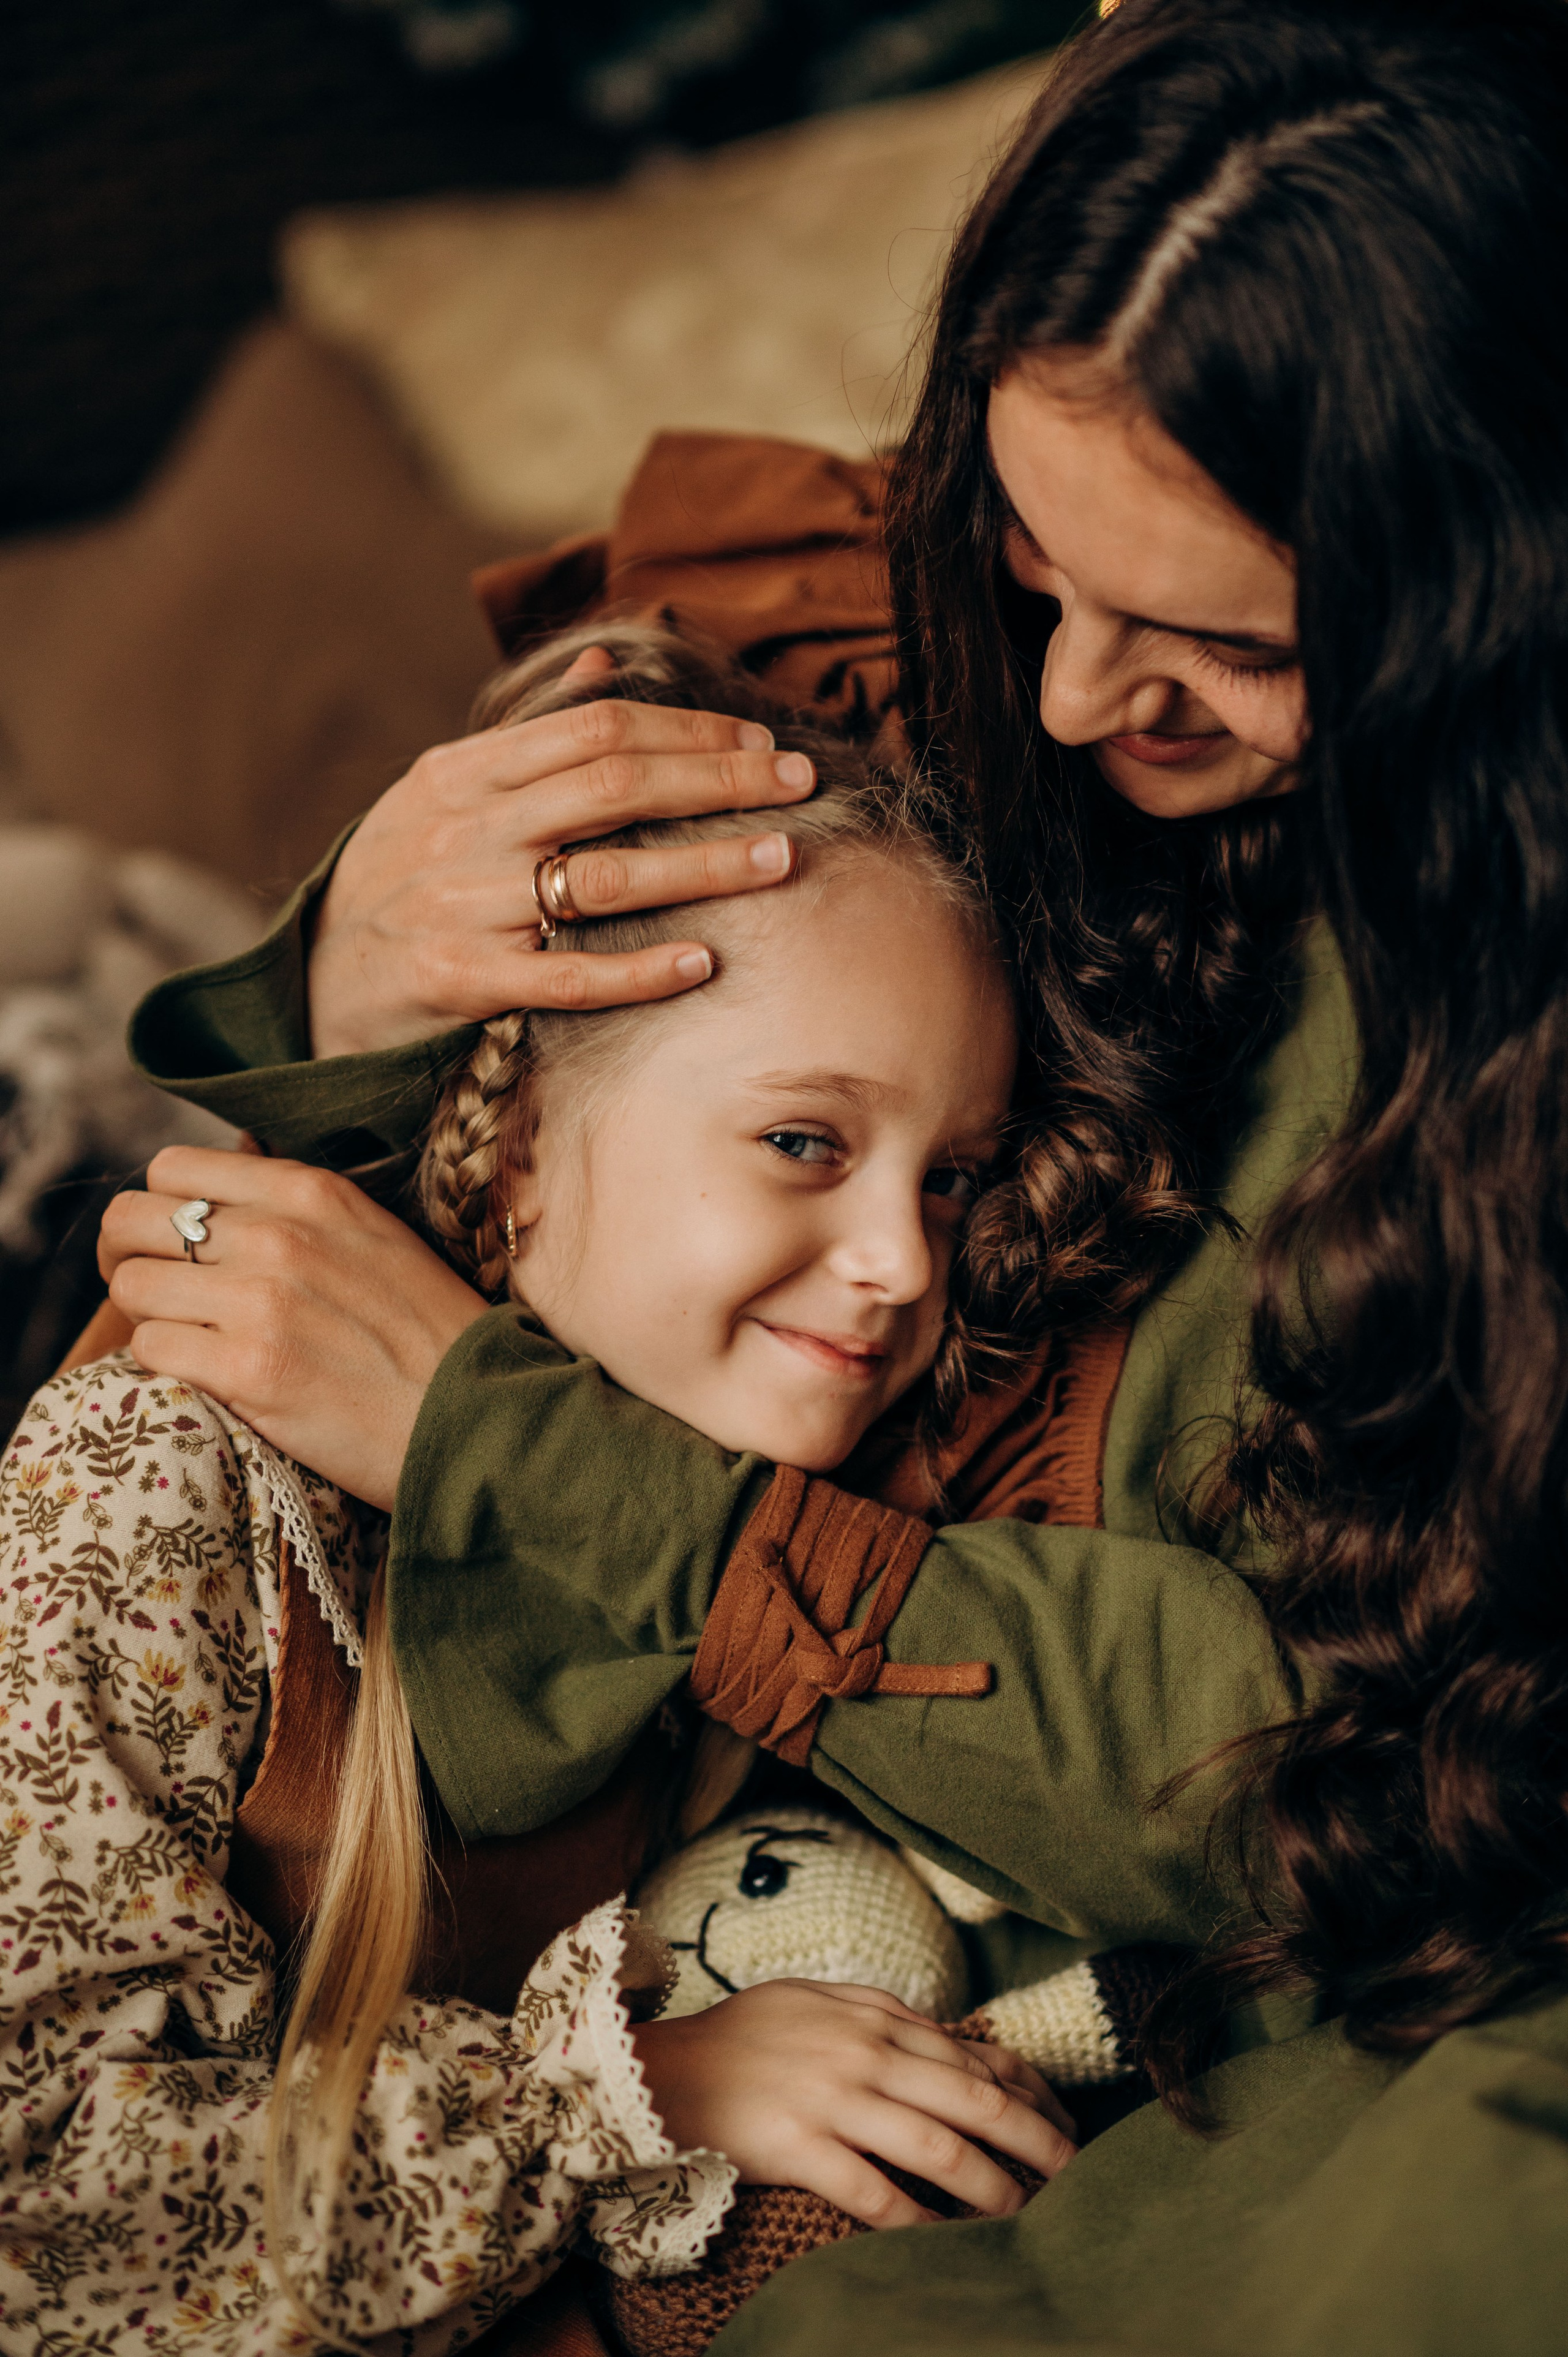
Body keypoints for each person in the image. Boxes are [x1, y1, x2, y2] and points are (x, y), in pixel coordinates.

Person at [95, 0, 1568, 2342]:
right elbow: (384, 1233)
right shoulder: (895, 680)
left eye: (1224, 643)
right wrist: (363, 996)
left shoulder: (1473, 1081)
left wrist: (560, 1470)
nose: (1080, 700)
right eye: (1034, 562)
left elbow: (1327, 1787)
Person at [0, 627, 1076, 2355]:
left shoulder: (768, 1507)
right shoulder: (161, 1482)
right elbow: (44, 2207)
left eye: (951, 1180)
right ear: (507, 1146)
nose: (897, 1263)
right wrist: (631, 2088)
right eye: (804, 1141)